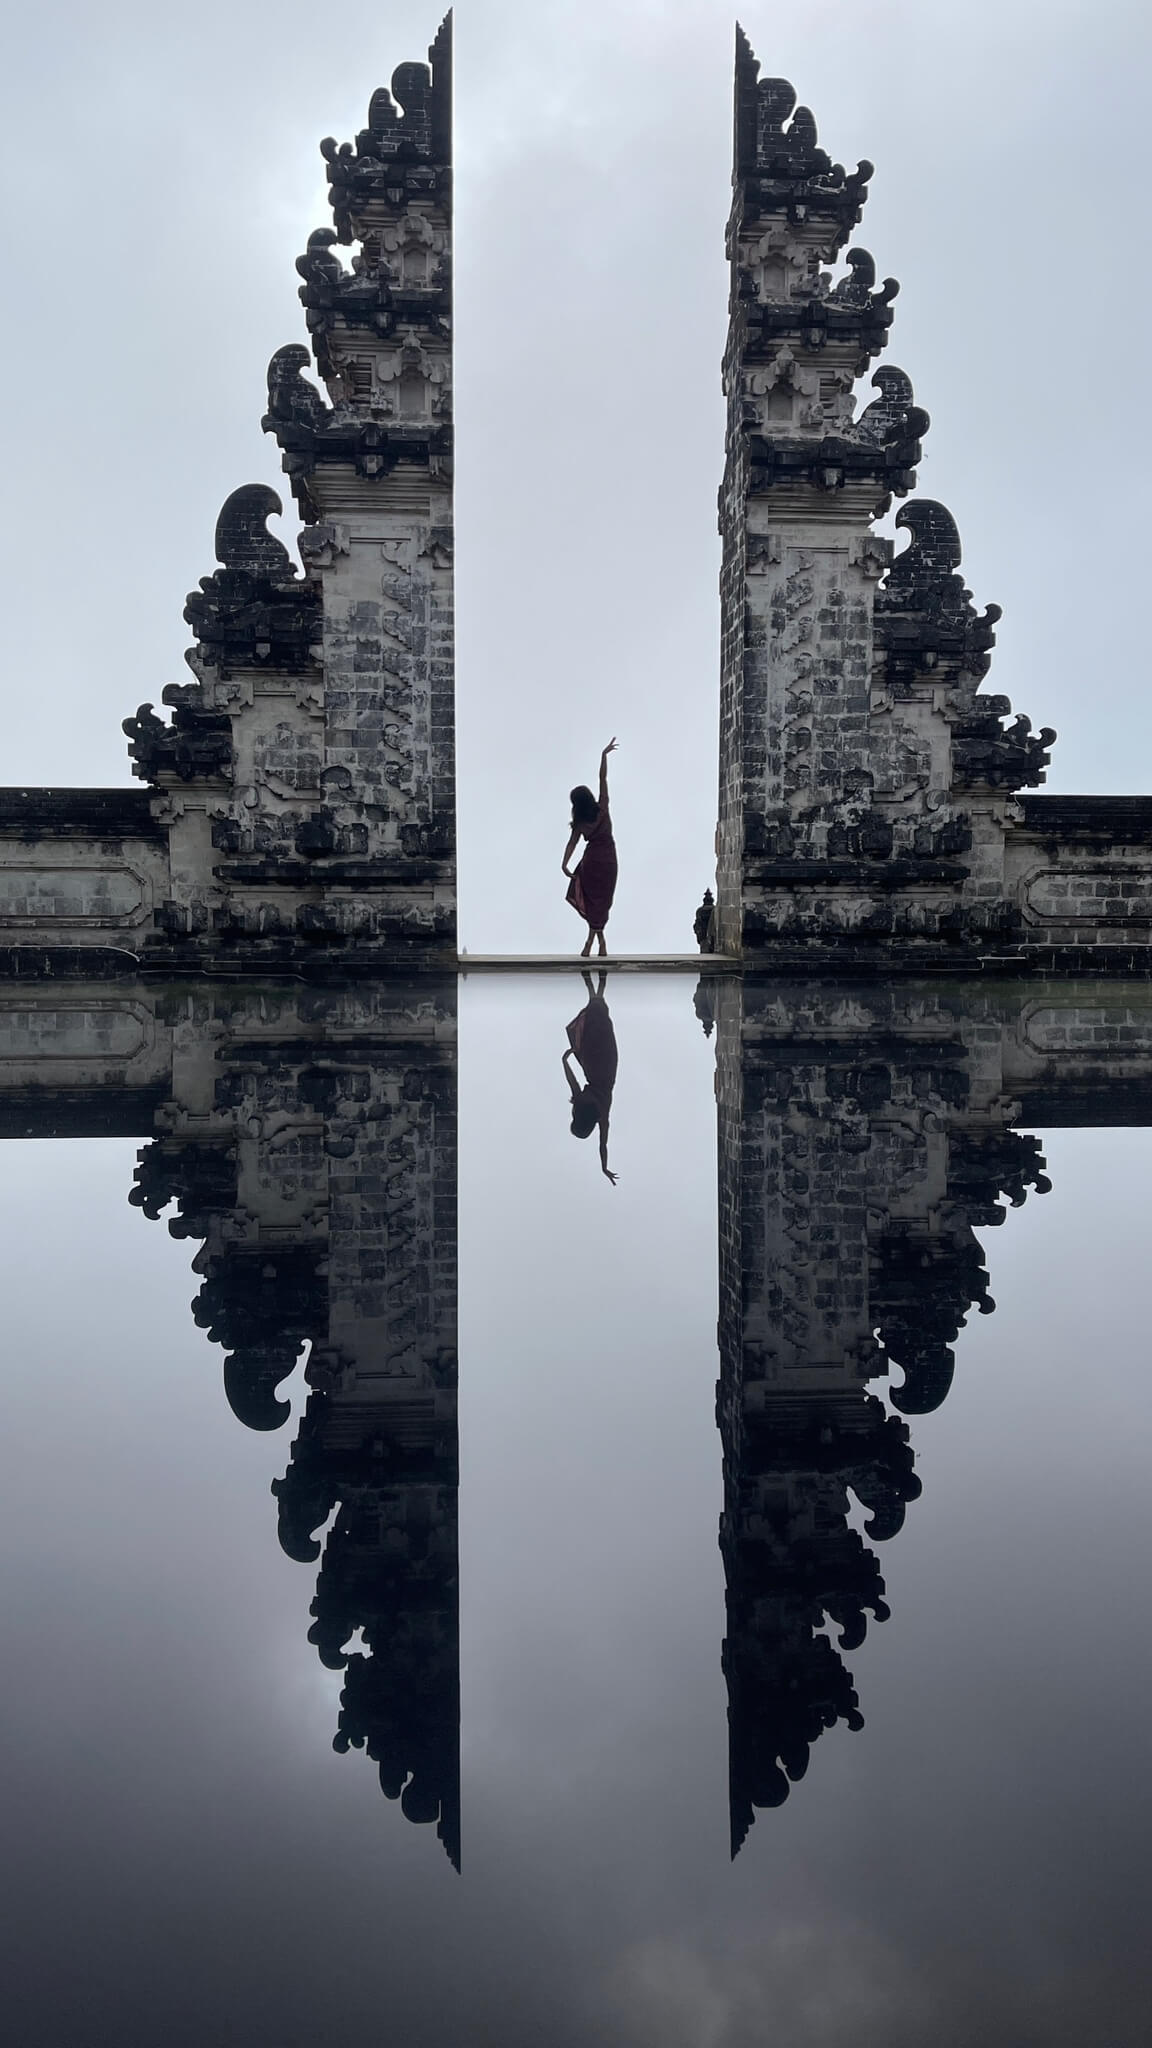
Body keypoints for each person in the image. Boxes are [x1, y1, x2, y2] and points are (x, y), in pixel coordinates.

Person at [562, 738, 618, 958]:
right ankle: (598, 943)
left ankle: (592, 943)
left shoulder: (580, 822)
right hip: (608, 859)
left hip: (591, 860)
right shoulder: (602, 807)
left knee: (593, 901)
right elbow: (602, 778)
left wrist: (565, 864)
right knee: (602, 902)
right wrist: (603, 756)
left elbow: (572, 843)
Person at [563, 971, 619, 1184]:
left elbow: (602, 1144)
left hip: (604, 1065)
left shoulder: (600, 1116)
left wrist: (604, 1166)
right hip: (596, 1065)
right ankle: (592, 987)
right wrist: (565, 1063)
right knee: (596, 1019)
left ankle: (595, 988)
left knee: (598, 1018)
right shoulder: (592, 1111)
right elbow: (573, 1084)